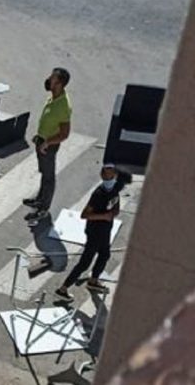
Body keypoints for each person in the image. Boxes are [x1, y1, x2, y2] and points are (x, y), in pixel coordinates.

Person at [55, 164, 130, 302]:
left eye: (113, 174)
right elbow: (84, 215)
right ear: (103, 176)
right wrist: (104, 217)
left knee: (104, 255)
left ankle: (93, 280)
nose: (111, 177)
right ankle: (63, 289)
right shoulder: (99, 193)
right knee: (85, 262)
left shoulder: (115, 190)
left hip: (105, 230)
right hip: (95, 232)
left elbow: (116, 207)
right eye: (108, 175)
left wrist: (113, 214)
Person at [23, 67, 73, 227]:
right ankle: (39, 199)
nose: (48, 80)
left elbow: (64, 134)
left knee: (49, 176)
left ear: (59, 83)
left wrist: (47, 142)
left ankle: (43, 208)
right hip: (42, 141)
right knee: (44, 173)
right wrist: (40, 136)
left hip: (49, 146)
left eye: (52, 78)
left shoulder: (63, 105)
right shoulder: (54, 97)